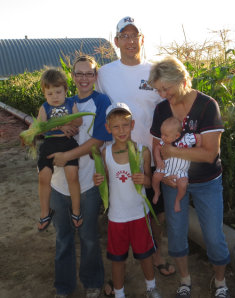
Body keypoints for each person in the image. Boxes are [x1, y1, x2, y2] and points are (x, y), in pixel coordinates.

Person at [96, 16, 176, 278]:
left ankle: (156, 254)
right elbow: (94, 104)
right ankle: (117, 262)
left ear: (142, 39)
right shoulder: (105, 73)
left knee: (155, 209)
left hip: (151, 153)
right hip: (119, 155)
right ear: (117, 41)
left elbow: (170, 105)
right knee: (119, 206)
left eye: (135, 36)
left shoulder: (154, 72)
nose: (131, 41)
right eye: (125, 36)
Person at [149, 56, 231, 298]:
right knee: (175, 232)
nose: (163, 94)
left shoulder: (207, 106)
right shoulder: (161, 109)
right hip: (173, 181)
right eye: (159, 90)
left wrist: (173, 151)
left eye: (167, 88)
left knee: (214, 236)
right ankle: (185, 280)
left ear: (182, 80)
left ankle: (220, 282)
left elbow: (209, 154)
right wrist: (162, 173)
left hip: (207, 181)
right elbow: (156, 145)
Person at [48, 55, 113, 298]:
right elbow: (45, 129)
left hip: (87, 181)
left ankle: (92, 283)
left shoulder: (101, 101)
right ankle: (64, 287)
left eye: (89, 73)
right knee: (63, 238)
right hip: (58, 183)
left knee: (88, 237)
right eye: (79, 73)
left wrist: (68, 156)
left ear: (95, 77)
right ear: (72, 77)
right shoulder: (63, 101)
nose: (84, 78)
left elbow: (97, 141)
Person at [93, 102, 162, 298]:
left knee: (146, 255)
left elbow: (149, 183)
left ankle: (151, 288)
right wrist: (98, 180)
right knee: (117, 259)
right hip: (117, 217)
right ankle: (119, 292)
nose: (121, 130)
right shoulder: (105, 153)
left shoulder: (143, 151)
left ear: (132, 125)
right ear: (108, 128)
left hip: (140, 214)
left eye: (125, 125)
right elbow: (104, 181)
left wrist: (145, 179)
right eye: (115, 126)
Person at [35, 68, 83, 231]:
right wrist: (57, 125)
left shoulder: (71, 103)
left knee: (72, 176)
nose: (54, 97)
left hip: (67, 143)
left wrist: (67, 124)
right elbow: (39, 128)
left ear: (65, 90)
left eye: (58, 92)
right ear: (44, 93)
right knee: (43, 177)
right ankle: (45, 212)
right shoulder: (44, 108)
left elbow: (79, 121)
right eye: (50, 94)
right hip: (49, 144)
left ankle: (76, 210)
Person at [152, 117, 201, 213]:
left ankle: (178, 200)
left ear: (177, 135)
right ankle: (157, 191)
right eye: (162, 134)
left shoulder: (186, 139)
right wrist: (158, 160)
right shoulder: (164, 142)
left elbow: (199, 137)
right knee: (155, 177)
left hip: (181, 171)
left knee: (183, 185)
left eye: (165, 135)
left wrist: (197, 151)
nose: (162, 137)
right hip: (166, 167)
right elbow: (157, 148)